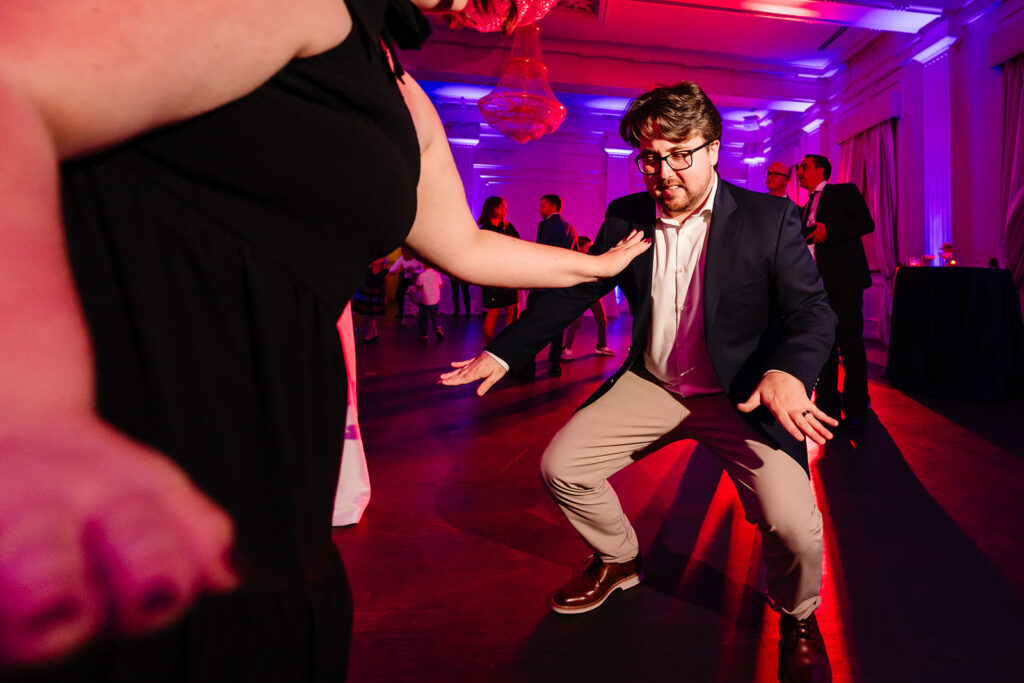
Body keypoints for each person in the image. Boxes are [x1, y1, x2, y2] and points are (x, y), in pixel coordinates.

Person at [0, 0, 652, 676]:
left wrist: (597, 265)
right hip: (157, 392)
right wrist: (40, 416)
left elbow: (465, 244)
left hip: (273, 442)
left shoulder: (400, 88)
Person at [442, 81, 838, 683]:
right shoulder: (626, 215)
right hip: (652, 385)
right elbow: (581, 287)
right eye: (651, 157)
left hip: (739, 394)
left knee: (796, 529)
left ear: (712, 150)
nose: (665, 171)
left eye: (680, 152)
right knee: (562, 466)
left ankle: (798, 615)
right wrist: (504, 352)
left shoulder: (770, 218)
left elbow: (813, 312)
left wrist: (788, 371)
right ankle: (619, 558)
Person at [797, 154, 875, 431]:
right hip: (817, 287)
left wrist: (830, 231)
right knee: (824, 347)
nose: (799, 171)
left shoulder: (844, 191)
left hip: (845, 282)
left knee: (850, 345)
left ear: (821, 170)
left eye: (804, 167)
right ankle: (827, 406)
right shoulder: (804, 207)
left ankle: (856, 406)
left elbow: (867, 224)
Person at [535, 194, 579, 376]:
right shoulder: (570, 228)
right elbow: (575, 255)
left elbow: (541, 253)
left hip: (545, 283)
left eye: (543, 206)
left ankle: (527, 366)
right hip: (562, 285)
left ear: (553, 206)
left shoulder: (544, 225)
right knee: (557, 328)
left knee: (534, 324)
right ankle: (555, 365)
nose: (540, 209)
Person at [561, 237, 616, 359]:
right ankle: (566, 349)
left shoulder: (590, 258)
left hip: (592, 294)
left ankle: (601, 346)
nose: (589, 249)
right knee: (577, 322)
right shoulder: (575, 259)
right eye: (587, 247)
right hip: (580, 294)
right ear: (579, 248)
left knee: (602, 320)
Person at [477, 196, 522, 343]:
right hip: (492, 275)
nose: (505, 210)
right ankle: (488, 347)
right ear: (493, 208)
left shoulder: (508, 227)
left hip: (509, 274)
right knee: (493, 310)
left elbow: (519, 246)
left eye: (506, 207)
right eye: (502, 207)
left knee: (513, 308)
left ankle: (508, 343)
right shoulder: (484, 230)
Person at [351, 257, 389, 342]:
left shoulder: (384, 272)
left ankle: (369, 335)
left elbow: (386, 285)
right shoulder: (368, 270)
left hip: (376, 295)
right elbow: (362, 281)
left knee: (371, 316)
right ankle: (374, 333)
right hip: (368, 294)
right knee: (369, 315)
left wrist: (386, 297)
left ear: (381, 260)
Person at [389, 247, 424, 326]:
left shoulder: (417, 258)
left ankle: (420, 315)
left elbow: (423, 269)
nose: (405, 254)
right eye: (403, 252)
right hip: (407, 280)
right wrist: (393, 271)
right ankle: (402, 314)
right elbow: (393, 269)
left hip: (418, 280)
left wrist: (414, 270)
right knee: (399, 294)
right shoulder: (402, 259)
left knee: (418, 298)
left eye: (406, 252)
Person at [412, 264, 445, 340]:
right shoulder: (436, 274)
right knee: (435, 316)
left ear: (424, 265)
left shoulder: (422, 275)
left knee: (423, 317)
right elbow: (440, 285)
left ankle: (424, 334)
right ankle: (437, 328)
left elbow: (419, 286)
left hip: (424, 299)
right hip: (435, 298)